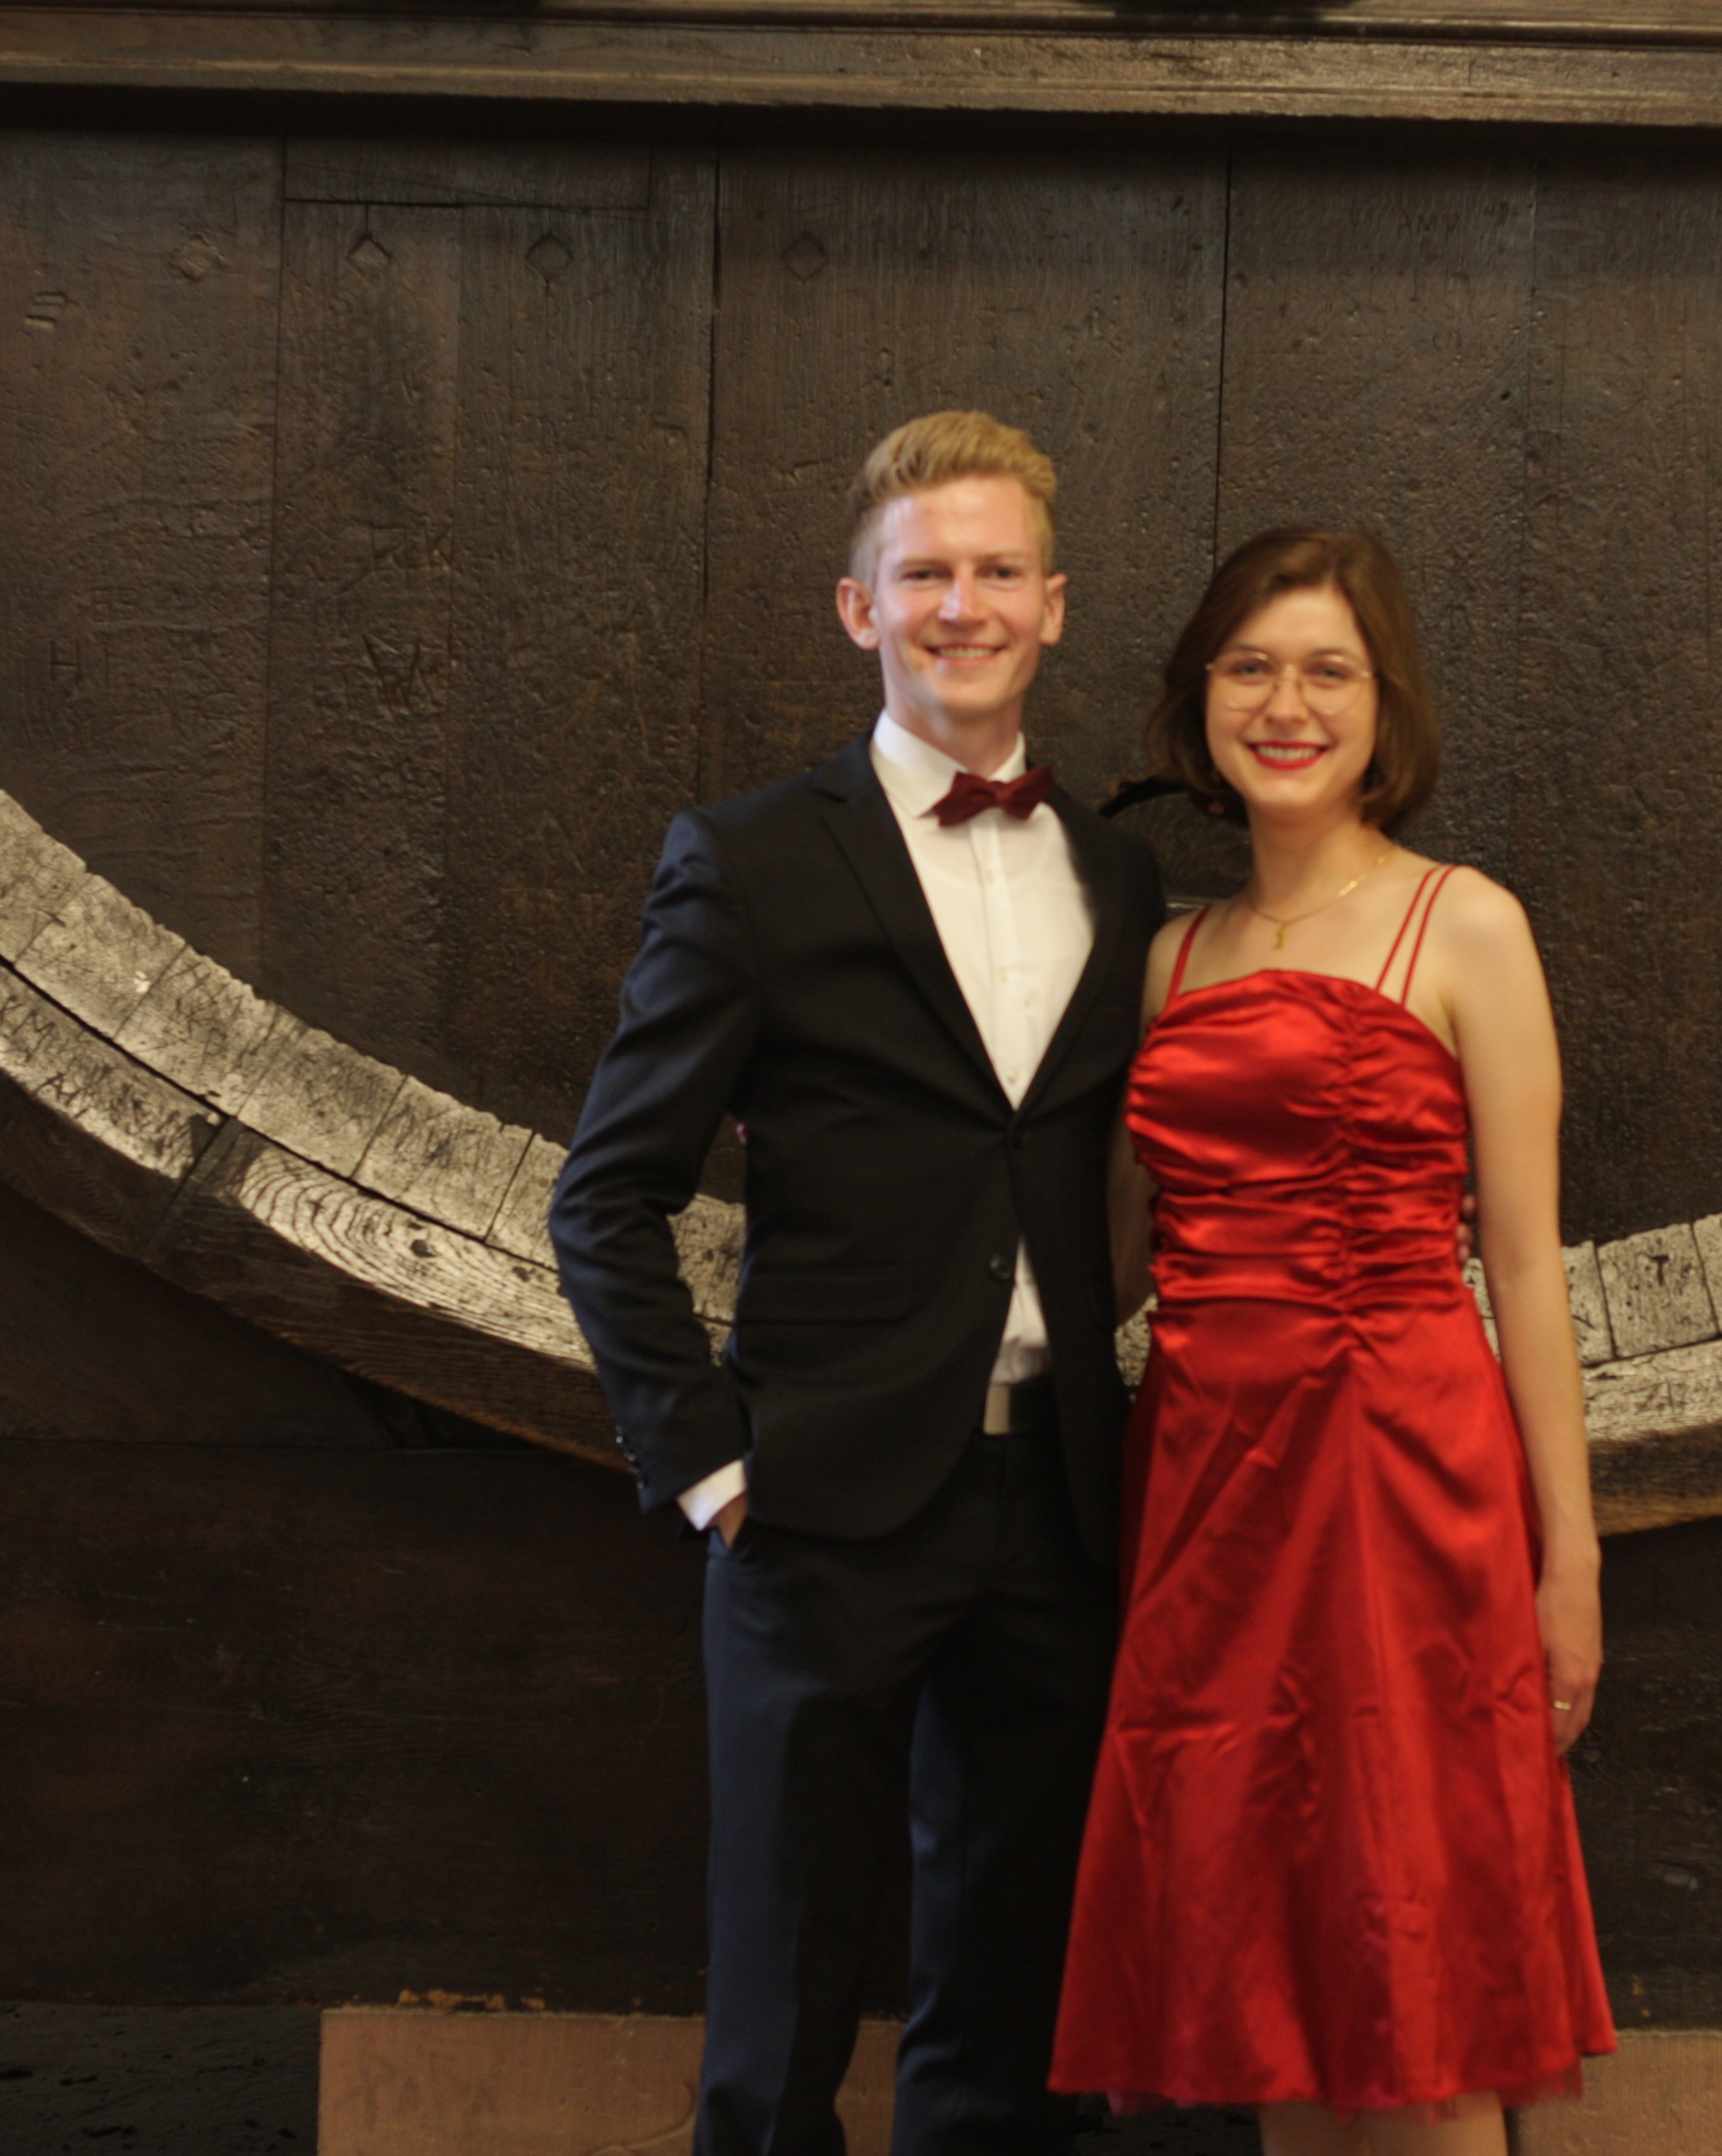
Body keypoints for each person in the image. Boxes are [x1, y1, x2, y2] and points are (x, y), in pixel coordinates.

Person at [550, 412, 1165, 2156]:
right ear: (859, 608)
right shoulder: (748, 857)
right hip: (817, 1503)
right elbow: (608, 1196)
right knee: (782, 2004)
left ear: (1054, 604)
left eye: (997, 571)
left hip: (1060, 1501)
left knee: (1016, 2009)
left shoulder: (1119, 874)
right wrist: (709, 1467)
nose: (962, 605)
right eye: (924, 575)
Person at [1051, 528, 1615, 2154]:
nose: (1285, 707)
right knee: (1269, 1987)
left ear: (1385, 708)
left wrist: (1569, 1559)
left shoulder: (1466, 926)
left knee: (1419, 1975)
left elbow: (1527, 1267)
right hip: (1206, 1496)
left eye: (1326, 673)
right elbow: (1101, 1242)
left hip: (1403, 1483)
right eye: (1250, 669)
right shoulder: (1168, 956)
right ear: (1200, 701)